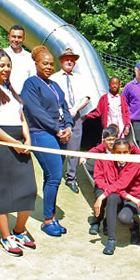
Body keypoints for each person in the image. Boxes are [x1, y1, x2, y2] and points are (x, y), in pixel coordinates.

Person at [0, 50, 37, 256]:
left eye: (8, 65)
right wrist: (12, 142)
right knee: (4, 190)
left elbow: (22, 118)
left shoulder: (12, 90)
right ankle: (6, 237)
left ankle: (19, 231)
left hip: (20, 142)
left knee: (29, 189)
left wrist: (27, 140)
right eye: (1, 65)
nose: (5, 69)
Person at [20, 45, 73, 237]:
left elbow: (65, 107)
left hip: (60, 134)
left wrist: (68, 126)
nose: (49, 67)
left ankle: (50, 214)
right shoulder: (30, 84)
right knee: (55, 175)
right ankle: (48, 220)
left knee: (53, 176)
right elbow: (36, 112)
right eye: (45, 64)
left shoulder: (55, 85)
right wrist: (57, 129)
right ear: (36, 64)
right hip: (41, 133)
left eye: (51, 64)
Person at [92, 139, 140, 255]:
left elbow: (121, 184)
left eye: (125, 152)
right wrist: (105, 196)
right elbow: (114, 186)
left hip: (135, 196)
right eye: (118, 153)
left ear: (130, 152)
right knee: (111, 197)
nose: (122, 156)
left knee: (124, 218)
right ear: (113, 152)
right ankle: (111, 240)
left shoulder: (135, 164)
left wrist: (101, 198)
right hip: (122, 194)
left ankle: (134, 228)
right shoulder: (109, 162)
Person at [86, 127, 140, 235]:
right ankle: (96, 221)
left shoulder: (122, 150)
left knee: (114, 198)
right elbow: (98, 177)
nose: (111, 142)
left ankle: (108, 224)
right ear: (104, 141)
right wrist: (85, 157)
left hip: (117, 185)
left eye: (114, 139)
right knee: (101, 197)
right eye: (109, 140)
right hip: (104, 185)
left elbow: (134, 150)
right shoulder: (102, 154)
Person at [50, 48, 90, 194]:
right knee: (58, 146)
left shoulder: (79, 78)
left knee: (74, 147)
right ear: (61, 61)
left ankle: (71, 178)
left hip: (75, 114)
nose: (69, 61)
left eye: (72, 60)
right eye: (66, 59)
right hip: (59, 116)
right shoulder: (54, 78)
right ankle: (54, 175)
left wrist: (74, 110)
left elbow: (86, 97)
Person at [3, 25, 36, 93]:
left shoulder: (29, 57)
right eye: (13, 36)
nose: (16, 40)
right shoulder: (2, 54)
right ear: (8, 37)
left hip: (23, 97)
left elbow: (33, 79)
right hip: (4, 96)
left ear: (23, 38)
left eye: (19, 37)